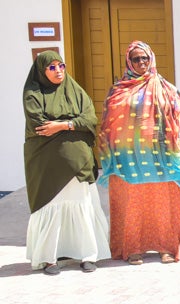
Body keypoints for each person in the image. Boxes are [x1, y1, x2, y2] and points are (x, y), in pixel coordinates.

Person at [98, 41, 180, 265]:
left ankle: (166, 247)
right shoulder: (118, 90)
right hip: (130, 161)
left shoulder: (166, 88)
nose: (141, 62)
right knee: (133, 202)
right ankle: (133, 248)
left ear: (151, 59)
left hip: (163, 157)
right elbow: (109, 125)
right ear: (128, 62)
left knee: (164, 202)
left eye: (144, 58)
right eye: (136, 59)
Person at [23, 50, 110, 275]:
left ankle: (88, 255)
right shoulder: (33, 93)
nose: (58, 71)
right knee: (51, 206)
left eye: (60, 65)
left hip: (78, 164)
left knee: (82, 206)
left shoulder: (75, 90)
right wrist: (75, 124)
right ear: (42, 71)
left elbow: (90, 118)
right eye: (51, 67)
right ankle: (49, 259)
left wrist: (62, 125)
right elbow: (39, 125)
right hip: (47, 166)